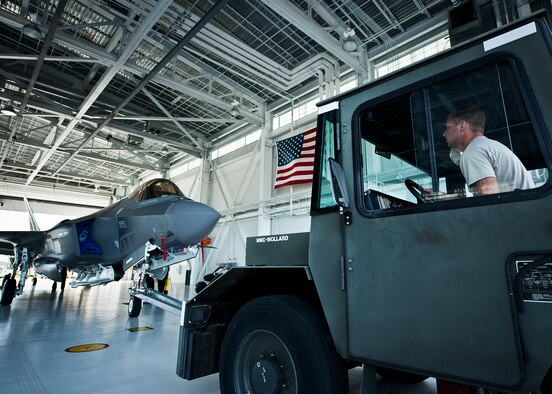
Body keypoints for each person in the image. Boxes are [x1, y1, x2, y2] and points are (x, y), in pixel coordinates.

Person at [442, 105, 535, 195]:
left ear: (462, 126)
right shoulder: (487, 146)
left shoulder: (473, 152)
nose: (444, 134)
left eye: (448, 127)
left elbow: (488, 202)